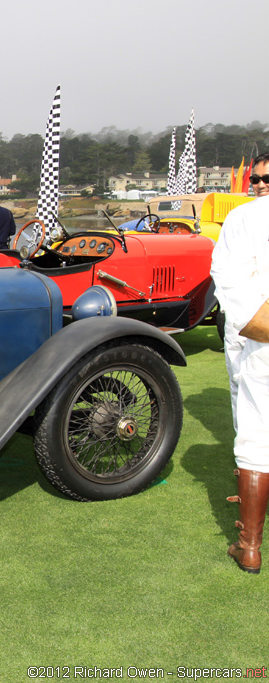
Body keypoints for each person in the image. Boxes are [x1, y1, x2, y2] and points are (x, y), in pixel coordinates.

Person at [210, 151, 269, 574]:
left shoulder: (245, 218)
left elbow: (229, 283)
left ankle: (249, 546)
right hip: (259, 333)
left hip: (262, 337)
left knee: (255, 435)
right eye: (259, 177)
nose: (261, 183)